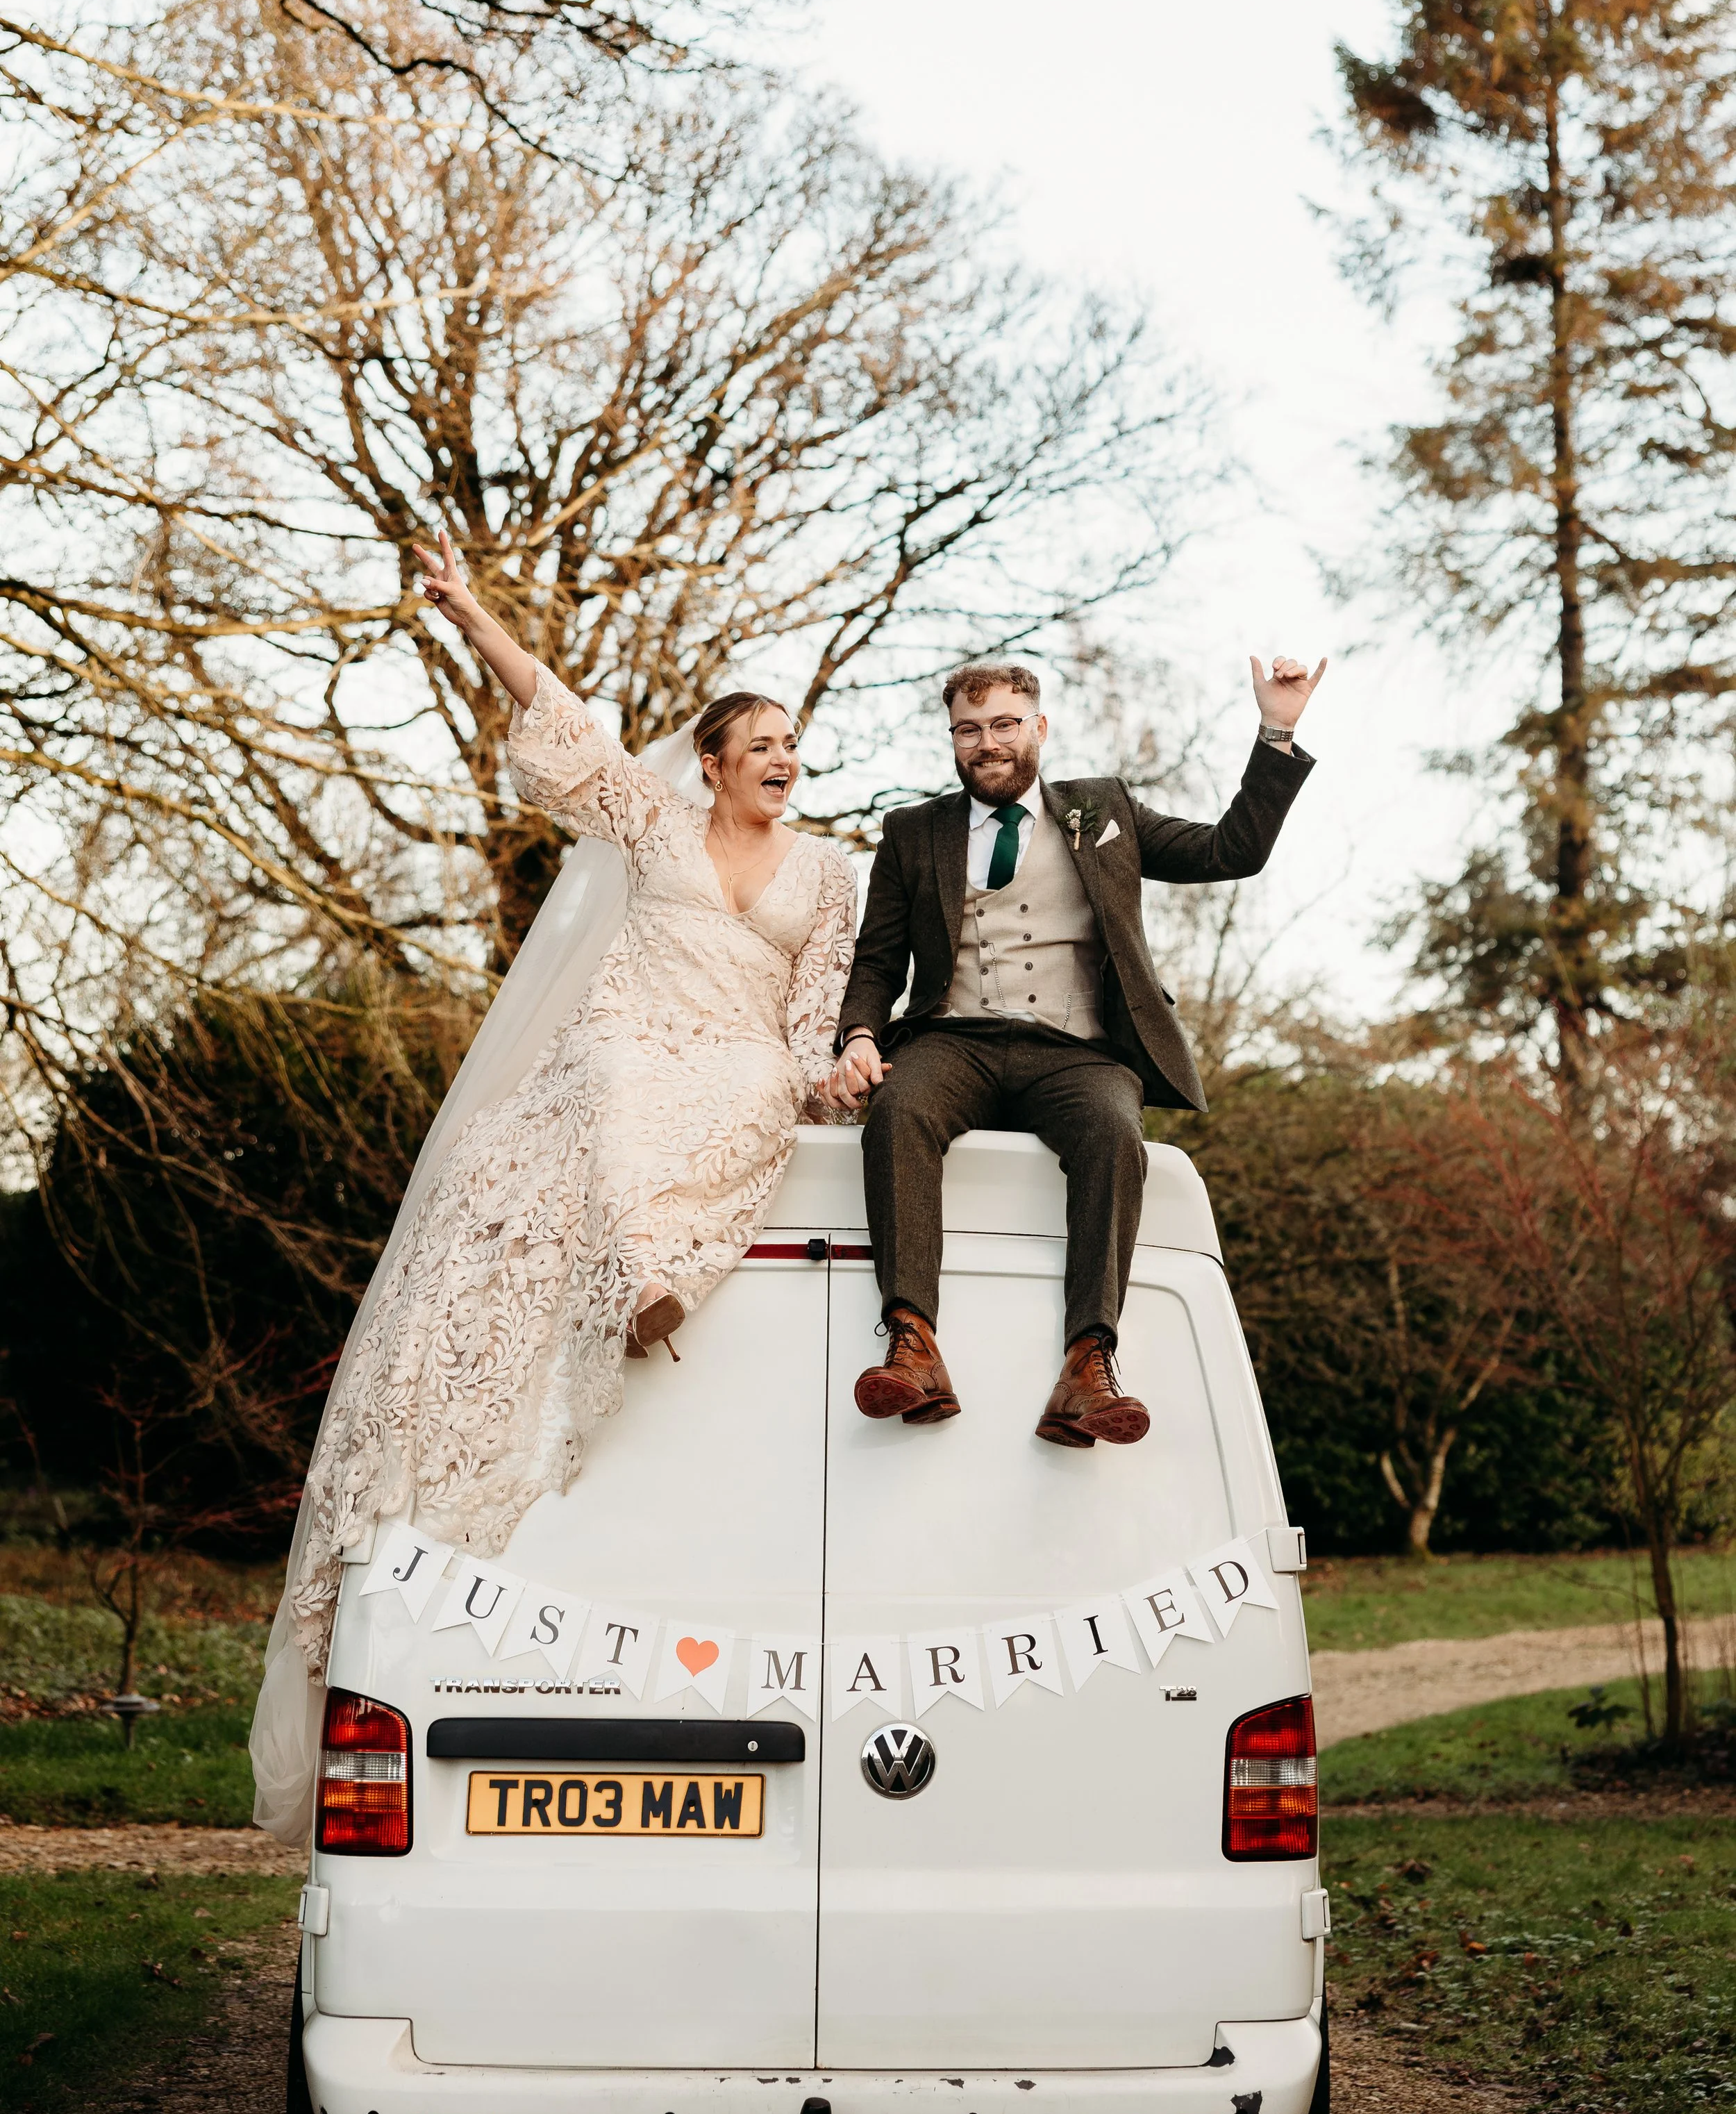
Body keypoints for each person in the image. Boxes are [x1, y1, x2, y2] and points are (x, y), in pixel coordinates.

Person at [276, 534, 858, 1681]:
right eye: (764, 743)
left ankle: (653, 1270)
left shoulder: (832, 871)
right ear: (714, 758)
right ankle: (638, 1277)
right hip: (630, 1031)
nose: (785, 758)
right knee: (609, 1083)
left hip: (742, 1049)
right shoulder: (654, 822)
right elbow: (564, 721)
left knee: (753, 1087)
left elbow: (815, 1005)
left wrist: (832, 1071)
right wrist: (467, 612)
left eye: (794, 743)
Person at [827, 653, 1324, 1447]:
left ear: (1039, 728)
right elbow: (879, 960)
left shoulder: (1105, 810)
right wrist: (857, 1035)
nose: (986, 742)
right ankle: (913, 1343)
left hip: (1075, 1051)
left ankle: (1088, 1366)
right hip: (952, 1041)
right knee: (898, 1108)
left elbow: (1231, 851)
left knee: (1113, 1131)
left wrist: (1277, 729)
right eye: (967, 729)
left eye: (1002, 725)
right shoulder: (911, 832)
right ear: (952, 739)